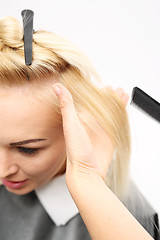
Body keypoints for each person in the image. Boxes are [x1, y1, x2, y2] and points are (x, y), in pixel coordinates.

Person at [0, 13, 159, 240]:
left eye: (27, 149)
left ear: (74, 130)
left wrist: (87, 180)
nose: (2, 170)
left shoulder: (132, 219)